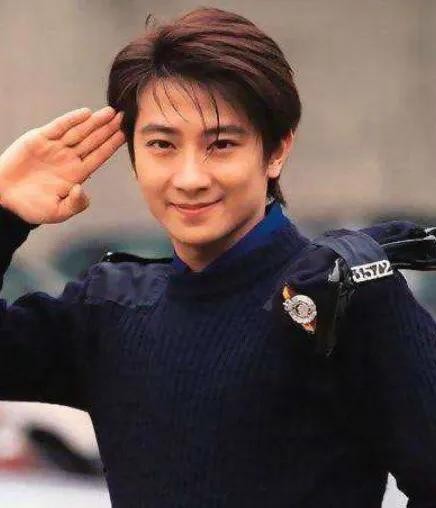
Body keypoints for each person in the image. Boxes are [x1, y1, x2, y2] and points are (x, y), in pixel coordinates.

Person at [0, 6, 435, 507]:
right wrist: (5, 211)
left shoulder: (342, 297)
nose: (190, 177)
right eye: (162, 144)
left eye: (221, 144)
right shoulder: (108, 310)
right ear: (133, 157)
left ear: (276, 150)